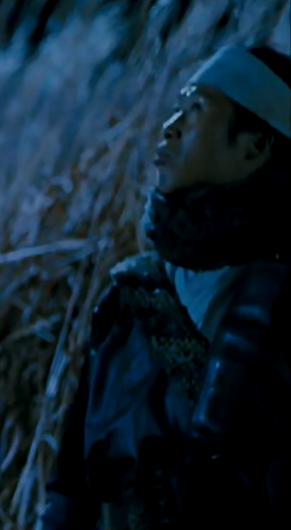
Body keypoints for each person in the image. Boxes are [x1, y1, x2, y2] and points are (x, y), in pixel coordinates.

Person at [42, 44, 291, 530]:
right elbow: (71, 488)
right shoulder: (129, 297)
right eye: (178, 106)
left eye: (197, 110)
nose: (171, 126)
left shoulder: (278, 306)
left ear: (255, 146)